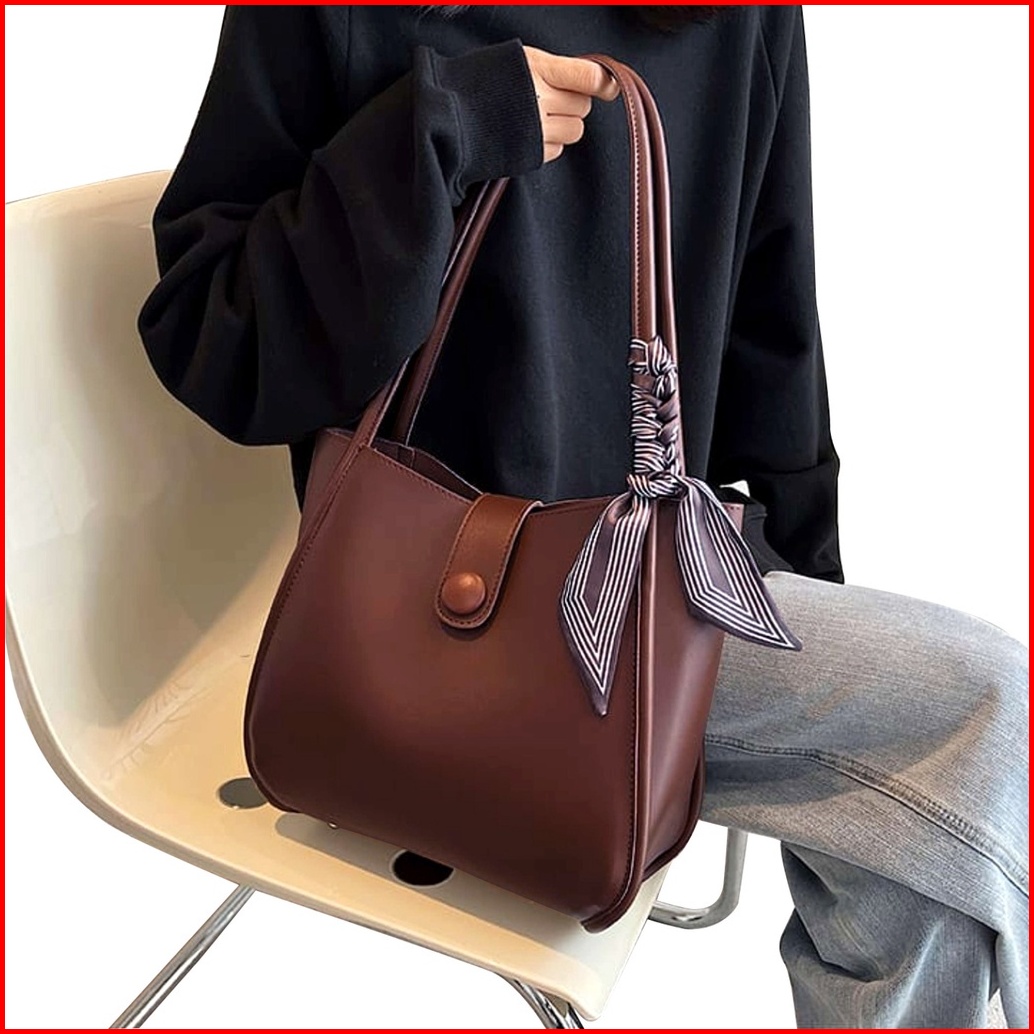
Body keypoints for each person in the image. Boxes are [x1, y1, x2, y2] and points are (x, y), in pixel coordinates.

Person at [137, 5, 1028, 1028]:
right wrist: (439, 133)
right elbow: (214, 330)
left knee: (932, 797)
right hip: (411, 631)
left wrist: (803, 607)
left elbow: (766, 323)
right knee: (976, 721)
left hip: (650, 603)